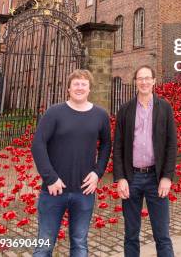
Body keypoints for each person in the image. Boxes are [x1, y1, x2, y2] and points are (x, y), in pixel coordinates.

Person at [31, 69, 111, 256]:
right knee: (44, 245)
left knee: (79, 244)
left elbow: (107, 144)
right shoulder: (54, 113)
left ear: (89, 89)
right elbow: (38, 145)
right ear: (68, 88)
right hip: (53, 191)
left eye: (84, 84)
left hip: (84, 191)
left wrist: (98, 173)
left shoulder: (100, 115)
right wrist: (50, 178)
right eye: (76, 84)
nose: (80, 87)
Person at [113, 65, 177, 257]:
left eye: (147, 78)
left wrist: (167, 177)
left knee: (162, 235)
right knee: (131, 234)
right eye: (140, 78)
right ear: (135, 82)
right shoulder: (125, 110)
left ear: (154, 81)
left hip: (155, 179)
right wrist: (120, 178)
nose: (144, 82)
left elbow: (171, 145)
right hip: (132, 178)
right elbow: (118, 146)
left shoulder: (165, 107)